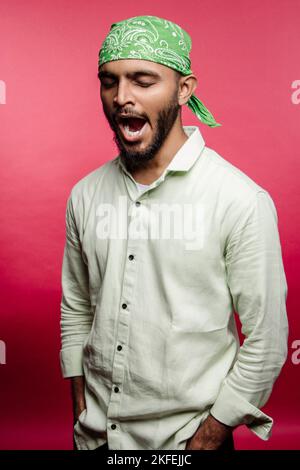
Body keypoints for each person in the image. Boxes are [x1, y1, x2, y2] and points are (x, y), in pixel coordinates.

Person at [59, 15, 289, 451]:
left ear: (184, 89)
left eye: (143, 81)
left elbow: (268, 339)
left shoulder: (238, 199)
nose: (121, 98)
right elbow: (76, 310)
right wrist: (81, 414)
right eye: (109, 81)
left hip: (188, 444)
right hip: (97, 443)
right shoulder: (84, 196)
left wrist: (208, 438)